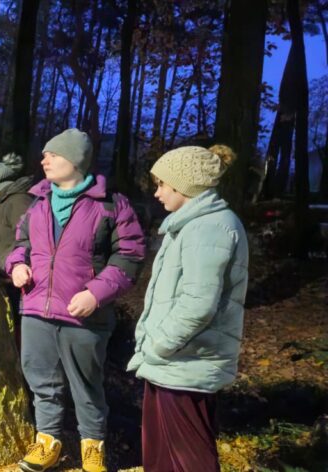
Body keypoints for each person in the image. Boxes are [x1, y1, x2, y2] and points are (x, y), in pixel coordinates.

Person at [5, 129, 145, 472]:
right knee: (41, 380)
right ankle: (47, 442)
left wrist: (96, 293)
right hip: (37, 307)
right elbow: (20, 243)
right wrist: (18, 265)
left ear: (75, 161)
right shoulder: (37, 202)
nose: (44, 160)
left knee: (86, 384)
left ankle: (92, 447)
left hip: (84, 314)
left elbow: (129, 255)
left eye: (52, 155)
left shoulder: (111, 204)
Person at [128, 145, 248, 472]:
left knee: (186, 458)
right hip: (175, 363)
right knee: (163, 455)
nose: (156, 194)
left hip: (184, 362)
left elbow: (198, 304)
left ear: (183, 186)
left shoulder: (208, 227)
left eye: (161, 185)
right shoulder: (191, 224)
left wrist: (159, 345)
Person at [0, 153, 34, 320]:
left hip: (14, 280)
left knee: (15, 325)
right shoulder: (4, 202)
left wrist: (14, 270)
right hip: (3, 274)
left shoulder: (18, 202)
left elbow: (28, 239)